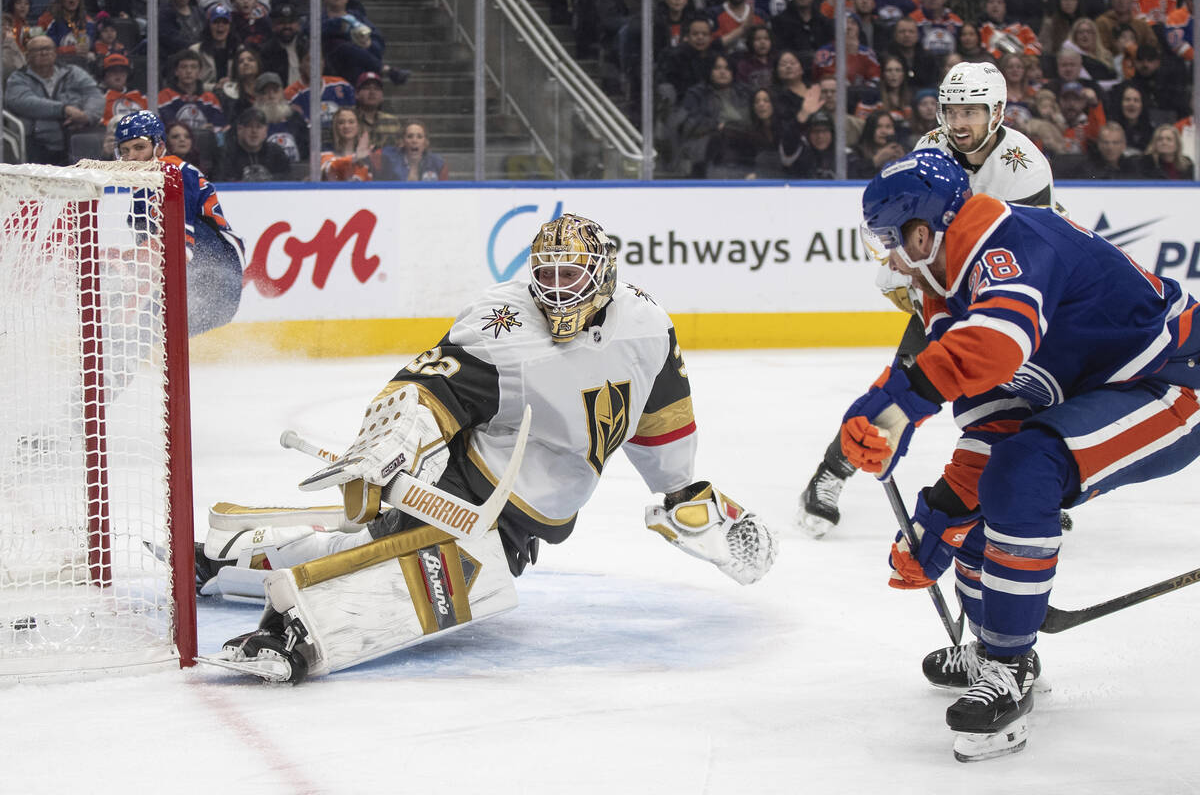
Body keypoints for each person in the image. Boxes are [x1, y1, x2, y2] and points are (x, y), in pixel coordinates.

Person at [193, 212, 778, 684]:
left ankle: (227, 554)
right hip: (474, 484)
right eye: (544, 274)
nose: (554, 289)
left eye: (569, 276)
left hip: (537, 511)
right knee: (424, 569)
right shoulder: (502, 325)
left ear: (602, 276)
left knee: (381, 546)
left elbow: (661, 416)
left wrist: (684, 496)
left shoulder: (648, 327)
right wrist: (392, 441)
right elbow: (426, 388)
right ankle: (288, 629)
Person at [845, 147, 1200, 760]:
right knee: (991, 493)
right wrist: (941, 512)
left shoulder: (1012, 239)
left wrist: (895, 403)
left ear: (921, 232)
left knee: (1021, 475)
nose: (887, 260)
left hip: (1172, 382)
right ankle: (994, 648)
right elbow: (994, 413)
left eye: (887, 242)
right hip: (1101, 387)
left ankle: (1007, 669)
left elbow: (995, 348)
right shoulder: (941, 291)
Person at [797, 60, 1054, 537]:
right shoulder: (930, 147)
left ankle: (1040, 484)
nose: (958, 122)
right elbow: (914, 228)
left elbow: (1027, 258)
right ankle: (830, 473)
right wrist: (908, 276)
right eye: (950, 110)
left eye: (971, 111)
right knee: (901, 389)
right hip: (943, 288)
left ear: (997, 111)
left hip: (1005, 294)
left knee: (1030, 395)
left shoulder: (1025, 166)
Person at [113, 110, 244, 336]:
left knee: (147, 318)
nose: (131, 157)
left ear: (159, 147)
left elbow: (182, 232)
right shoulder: (140, 200)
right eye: (125, 151)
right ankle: (119, 367)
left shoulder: (177, 172)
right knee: (150, 332)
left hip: (220, 274)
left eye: (139, 147)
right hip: (195, 284)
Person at [4, 33, 104, 165]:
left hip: (76, 137)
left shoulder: (73, 72)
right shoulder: (18, 78)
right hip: (36, 144)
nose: (44, 53)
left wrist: (87, 116)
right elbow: (21, 101)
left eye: (48, 48)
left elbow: (94, 94)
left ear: (55, 53)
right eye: (38, 50)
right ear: (27, 56)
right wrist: (63, 110)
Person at [158, 48, 229, 136]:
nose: (189, 71)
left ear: (199, 72)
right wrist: (199, 130)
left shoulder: (210, 99)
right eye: (184, 67)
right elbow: (168, 125)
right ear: (176, 71)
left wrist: (212, 130)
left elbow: (220, 128)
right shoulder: (165, 96)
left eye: (193, 67)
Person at [216, 105, 291, 181]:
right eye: (249, 126)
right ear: (239, 129)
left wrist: (269, 179)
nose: (254, 131)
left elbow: (287, 177)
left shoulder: (276, 152)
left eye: (259, 127)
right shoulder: (226, 153)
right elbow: (221, 181)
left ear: (266, 131)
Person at [256, 71, 308, 162]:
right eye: (265, 93)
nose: (271, 96)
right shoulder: (253, 123)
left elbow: (307, 151)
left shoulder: (296, 119)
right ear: (258, 97)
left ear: (282, 93)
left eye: (275, 91)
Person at [381, 119, 449, 181]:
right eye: (410, 136)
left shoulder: (437, 164)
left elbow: (444, 190)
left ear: (426, 142)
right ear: (403, 141)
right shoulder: (389, 159)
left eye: (419, 137)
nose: (414, 141)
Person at [320, 106, 374, 181]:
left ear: (358, 126)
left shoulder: (368, 157)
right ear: (335, 127)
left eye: (351, 122)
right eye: (341, 122)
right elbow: (328, 168)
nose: (346, 126)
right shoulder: (324, 153)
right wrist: (355, 158)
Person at [353, 70, 402, 151]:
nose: (372, 92)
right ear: (357, 94)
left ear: (382, 95)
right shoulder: (349, 121)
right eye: (367, 88)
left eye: (376, 89)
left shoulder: (392, 121)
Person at [98, 52, 147, 125]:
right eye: (113, 71)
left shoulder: (140, 96)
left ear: (128, 75)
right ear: (105, 76)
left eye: (122, 71)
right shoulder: (98, 98)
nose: (118, 74)